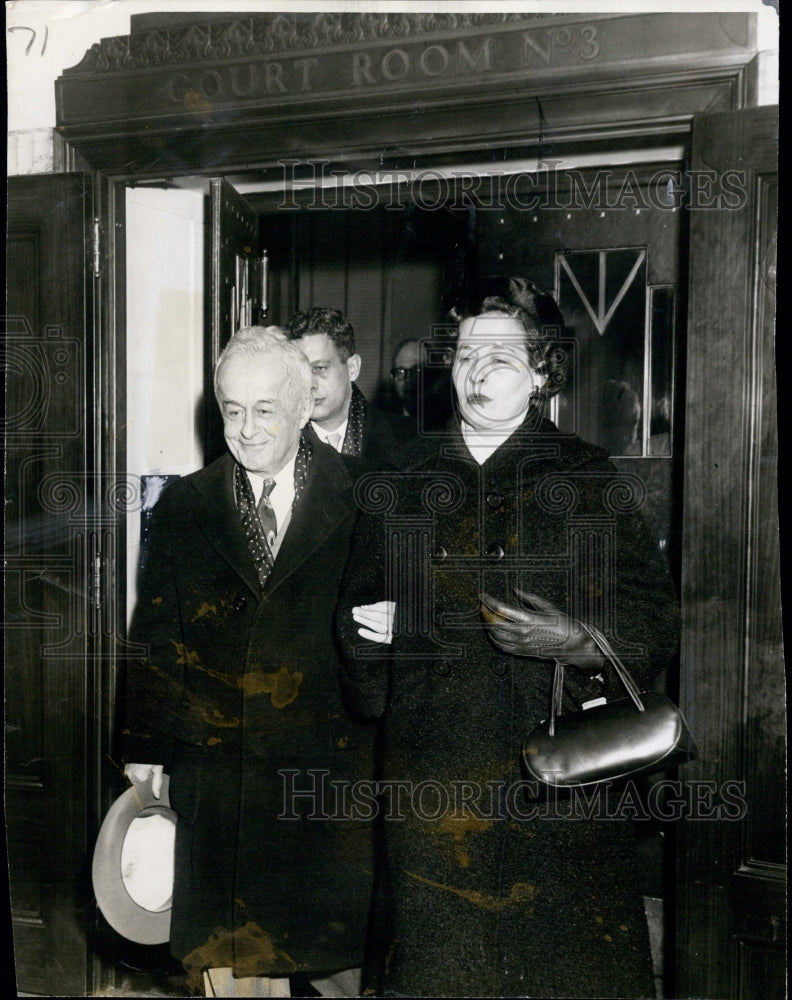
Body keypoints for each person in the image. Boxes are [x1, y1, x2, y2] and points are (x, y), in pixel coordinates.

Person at [337, 278, 680, 998]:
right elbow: (357, 635)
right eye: (464, 351)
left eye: (500, 352)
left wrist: (579, 641)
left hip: (563, 795)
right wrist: (379, 642)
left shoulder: (587, 478)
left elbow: (653, 620)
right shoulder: (402, 482)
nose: (477, 366)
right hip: (437, 792)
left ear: (541, 371)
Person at [121, 326, 377, 998]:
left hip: (328, 773)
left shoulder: (365, 497)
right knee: (232, 966)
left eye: (265, 409)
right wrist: (145, 745)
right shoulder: (187, 504)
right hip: (220, 770)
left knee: (341, 962)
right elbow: (157, 632)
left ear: (303, 406)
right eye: (232, 410)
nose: (247, 427)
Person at [285, 307, 396, 468]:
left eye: (320, 368)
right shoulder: (279, 443)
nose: (309, 384)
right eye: (299, 372)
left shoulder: (400, 441)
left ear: (352, 368)